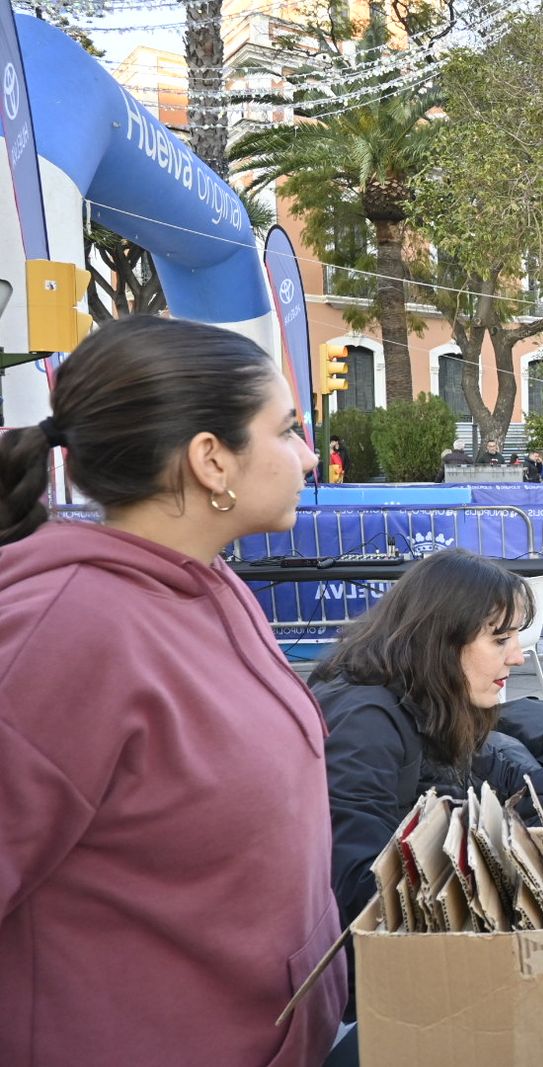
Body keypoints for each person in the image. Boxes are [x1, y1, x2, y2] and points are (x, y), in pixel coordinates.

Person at [0, 316, 346, 1065]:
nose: (308, 455)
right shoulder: (61, 633)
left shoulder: (211, 584)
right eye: (287, 430)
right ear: (211, 459)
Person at [310, 547, 543, 934]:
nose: (517, 657)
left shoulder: (424, 692)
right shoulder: (365, 723)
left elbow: (491, 773)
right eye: (499, 640)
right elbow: (361, 885)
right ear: (440, 639)